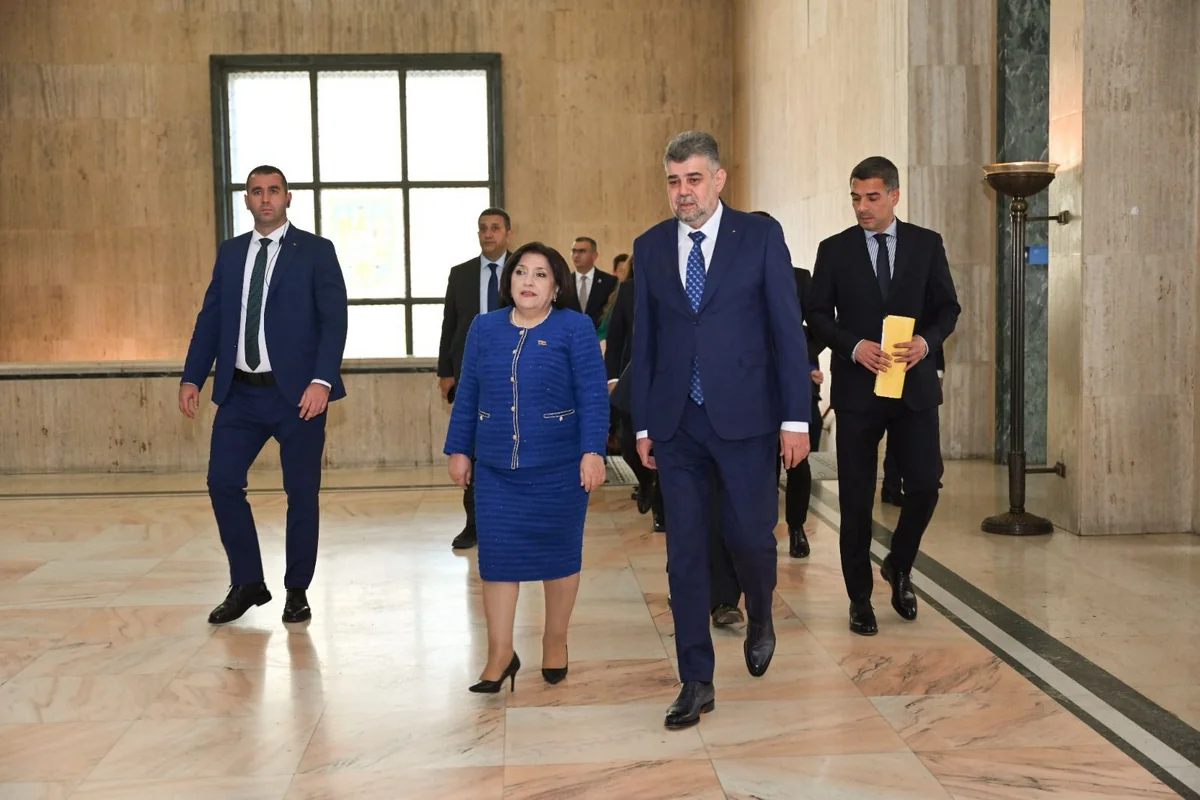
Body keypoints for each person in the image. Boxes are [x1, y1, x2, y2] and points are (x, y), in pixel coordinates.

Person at [631, 131, 811, 729]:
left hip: (747, 419)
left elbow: (787, 331)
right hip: (677, 423)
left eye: (693, 179)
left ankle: (760, 612)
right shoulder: (650, 247)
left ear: (719, 178)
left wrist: (795, 418)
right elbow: (645, 343)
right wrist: (643, 425)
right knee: (684, 553)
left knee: (750, 538)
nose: (682, 192)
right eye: (673, 181)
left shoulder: (759, 237)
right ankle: (696, 679)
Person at [179, 164, 348, 626]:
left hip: (298, 396)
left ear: (288, 197)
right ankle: (248, 582)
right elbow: (210, 318)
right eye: (257, 191)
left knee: (301, 493)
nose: (266, 198)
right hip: (240, 394)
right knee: (222, 482)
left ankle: (297, 589)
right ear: (247, 200)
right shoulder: (231, 252)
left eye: (274, 190)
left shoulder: (315, 251)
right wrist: (192, 377)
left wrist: (322, 380)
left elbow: (334, 320)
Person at [443, 241, 609, 693]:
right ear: (508, 281)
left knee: (559, 559)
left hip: (560, 468)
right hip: (496, 469)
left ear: (556, 287)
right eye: (520, 272)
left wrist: (593, 451)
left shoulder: (575, 327)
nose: (528, 281)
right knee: (497, 561)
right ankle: (500, 654)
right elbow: (468, 391)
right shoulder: (484, 328)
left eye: (540, 274)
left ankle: (555, 640)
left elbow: (593, 394)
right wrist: (459, 449)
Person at [807, 156, 960, 636]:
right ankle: (859, 598)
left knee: (925, 485)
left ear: (894, 195)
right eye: (856, 198)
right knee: (855, 498)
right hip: (858, 392)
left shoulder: (926, 244)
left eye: (872, 197)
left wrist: (926, 343)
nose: (862, 207)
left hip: (913, 388)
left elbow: (948, 309)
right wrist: (853, 346)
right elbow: (818, 315)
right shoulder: (834, 250)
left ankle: (899, 564)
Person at [436, 208, 514, 550]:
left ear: (508, 233)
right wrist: (445, 371)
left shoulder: (522, 271)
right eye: (483, 228)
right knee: (469, 447)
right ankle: (474, 523)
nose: (488, 234)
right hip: (470, 372)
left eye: (495, 228)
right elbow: (449, 324)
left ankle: (509, 520)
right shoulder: (461, 274)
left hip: (512, 371)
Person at [751, 210, 827, 559]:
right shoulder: (729, 277)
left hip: (793, 384)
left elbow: (820, 328)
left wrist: (799, 360)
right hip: (751, 387)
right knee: (761, 462)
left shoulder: (799, 278)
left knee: (798, 462)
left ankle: (796, 528)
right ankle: (762, 530)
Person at [564, 236, 618, 329]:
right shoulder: (564, 282)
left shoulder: (610, 282)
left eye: (582, 251)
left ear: (594, 256)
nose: (576, 255)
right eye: (574, 251)